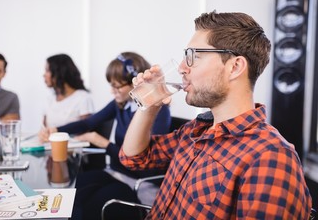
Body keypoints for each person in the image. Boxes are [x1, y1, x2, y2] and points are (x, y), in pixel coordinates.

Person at [119, 11, 312, 219]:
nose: (183, 68)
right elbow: (134, 158)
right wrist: (149, 104)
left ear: (235, 67)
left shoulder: (270, 158)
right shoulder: (196, 130)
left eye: (194, 56)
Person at [40, 51, 171, 220]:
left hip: (139, 183)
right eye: (111, 85)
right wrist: (56, 129)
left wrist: (101, 142)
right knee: (72, 194)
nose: (112, 91)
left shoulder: (158, 112)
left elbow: (145, 164)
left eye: (117, 86)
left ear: (136, 83)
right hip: (115, 173)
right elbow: (88, 123)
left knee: (91, 207)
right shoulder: (122, 103)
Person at [41, 54, 94, 128]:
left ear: (59, 73)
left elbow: (86, 129)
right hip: (50, 140)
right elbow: (45, 129)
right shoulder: (50, 99)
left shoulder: (83, 98)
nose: (44, 75)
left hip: (74, 140)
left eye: (47, 70)